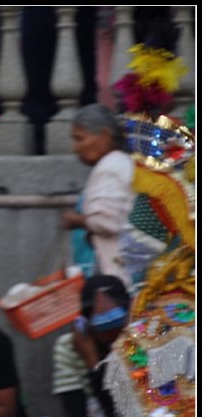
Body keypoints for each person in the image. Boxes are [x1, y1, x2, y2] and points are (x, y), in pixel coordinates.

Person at [23, 275, 142, 417]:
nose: (111, 335)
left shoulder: (138, 345)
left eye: (115, 325)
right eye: (103, 327)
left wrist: (95, 364)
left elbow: (119, 415)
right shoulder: (69, 347)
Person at [61, 104, 134, 285]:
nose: (75, 148)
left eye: (80, 139)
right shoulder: (122, 163)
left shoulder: (109, 168)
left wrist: (76, 220)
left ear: (105, 135)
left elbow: (106, 221)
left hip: (119, 274)